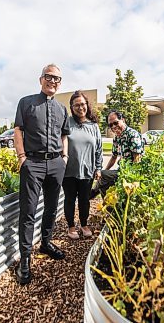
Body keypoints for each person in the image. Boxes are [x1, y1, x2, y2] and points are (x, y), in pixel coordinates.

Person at [13, 63, 70, 285]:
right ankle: (25, 258)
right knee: (28, 211)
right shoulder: (26, 103)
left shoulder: (61, 109)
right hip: (33, 163)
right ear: (41, 79)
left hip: (56, 163)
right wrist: (21, 158)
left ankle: (46, 243)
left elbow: (64, 135)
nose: (53, 81)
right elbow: (18, 130)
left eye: (57, 79)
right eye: (49, 77)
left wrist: (64, 158)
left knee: (51, 208)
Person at [63, 91, 103, 240]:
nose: (80, 108)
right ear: (72, 107)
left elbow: (98, 149)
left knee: (84, 200)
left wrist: (98, 167)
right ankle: (71, 226)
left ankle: (84, 224)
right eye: (77, 105)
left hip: (87, 170)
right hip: (69, 171)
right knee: (69, 199)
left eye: (83, 104)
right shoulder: (66, 123)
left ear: (87, 105)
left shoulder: (93, 126)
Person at [90, 110, 144, 198]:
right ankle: (109, 207)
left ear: (123, 120)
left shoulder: (132, 135)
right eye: (110, 125)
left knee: (104, 178)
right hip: (121, 170)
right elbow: (113, 157)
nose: (113, 126)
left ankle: (93, 193)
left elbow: (137, 159)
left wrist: (132, 179)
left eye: (115, 123)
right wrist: (104, 172)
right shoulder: (117, 138)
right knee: (104, 181)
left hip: (131, 173)